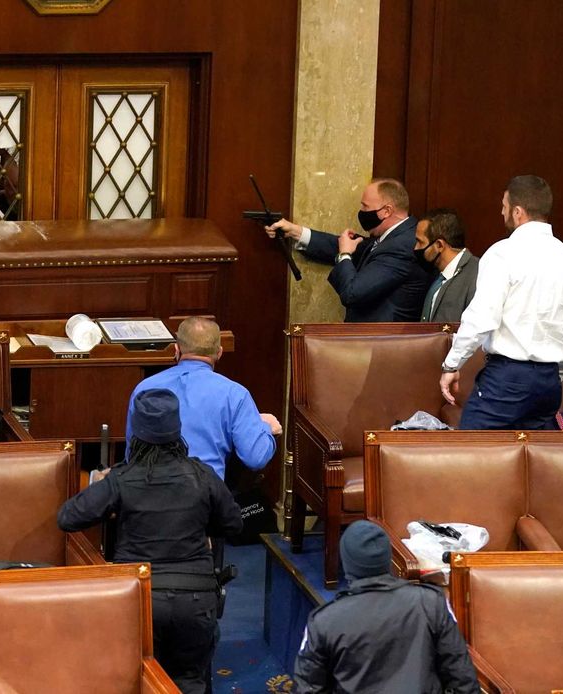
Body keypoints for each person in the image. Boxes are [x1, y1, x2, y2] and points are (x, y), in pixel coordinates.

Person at [59, 389, 242, 694]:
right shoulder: (203, 476)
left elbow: (68, 518)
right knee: (190, 681)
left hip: (140, 597)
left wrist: (110, 497)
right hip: (195, 600)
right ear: (177, 430)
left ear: (136, 433)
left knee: (138, 681)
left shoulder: (121, 479)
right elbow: (234, 524)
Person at [441, 175, 563, 430]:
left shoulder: (503, 254)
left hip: (507, 380)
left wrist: (452, 364)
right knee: (531, 463)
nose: (502, 212)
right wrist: (549, 376)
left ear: (518, 212)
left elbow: (481, 318)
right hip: (549, 384)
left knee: (470, 457)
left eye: (504, 206)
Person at [293, 520, 479, 693]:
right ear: (387, 559)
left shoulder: (324, 621)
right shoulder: (431, 602)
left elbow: (307, 687)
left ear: (347, 563)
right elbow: (462, 678)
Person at [125, 316, 281, 482]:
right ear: (219, 352)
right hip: (205, 500)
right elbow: (255, 458)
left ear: (176, 350)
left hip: (148, 497)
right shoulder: (235, 394)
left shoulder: (144, 388)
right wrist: (266, 428)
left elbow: (132, 455)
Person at [267, 178, 431, 321]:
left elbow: (353, 293)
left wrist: (344, 255)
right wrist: (296, 231)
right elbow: (343, 244)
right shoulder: (393, 236)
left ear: (387, 211)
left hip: (381, 345)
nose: (361, 212)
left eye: (365, 207)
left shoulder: (401, 246)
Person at [414, 208, 479, 322]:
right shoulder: (435, 274)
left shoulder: (477, 276)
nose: (416, 248)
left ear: (439, 245)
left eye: (420, 242)